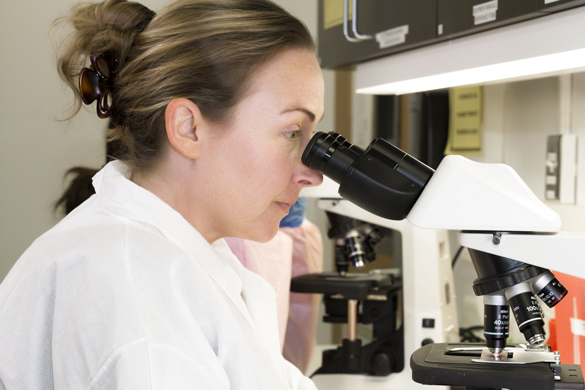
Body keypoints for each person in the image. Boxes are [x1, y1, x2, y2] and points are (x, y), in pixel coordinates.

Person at [0, 0, 324, 388]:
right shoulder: (139, 302)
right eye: (292, 133)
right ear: (188, 128)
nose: (313, 174)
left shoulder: (169, 256)